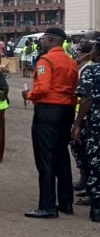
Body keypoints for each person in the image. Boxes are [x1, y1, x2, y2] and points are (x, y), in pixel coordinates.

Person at [22, 27, 78, 219]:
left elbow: (43, 88)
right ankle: (66, 202)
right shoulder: (71, 62)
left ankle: (47, 206)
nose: (41, 42)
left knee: (45, 159)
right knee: (61, 156)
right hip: (66, 111)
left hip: (48, 111)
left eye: (44, 39)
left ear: (51, 39)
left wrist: (29, 94)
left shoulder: (45, 60)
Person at [73, 38, 100, 222]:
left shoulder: (92, 70)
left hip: (96, 125)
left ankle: (97, 208)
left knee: (95, 163)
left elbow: (88, 98)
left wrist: (78, 123)